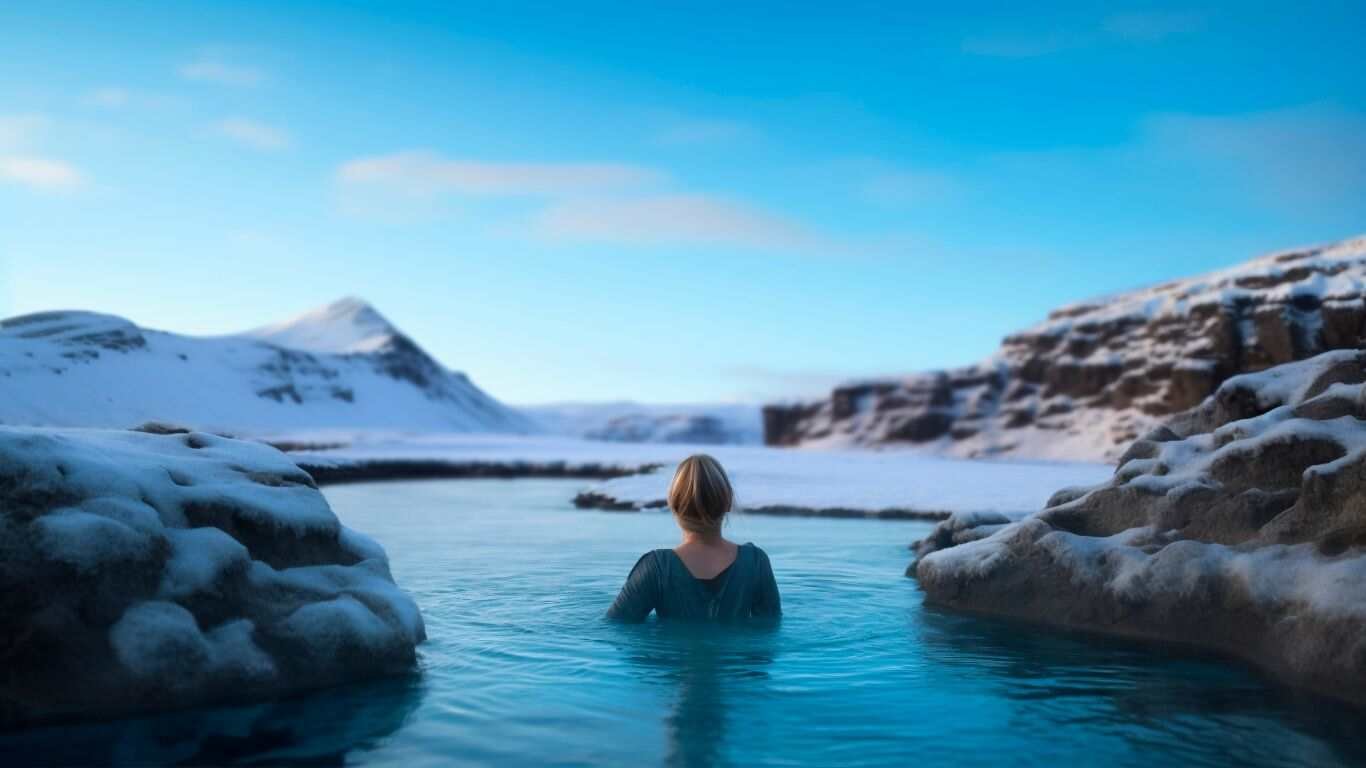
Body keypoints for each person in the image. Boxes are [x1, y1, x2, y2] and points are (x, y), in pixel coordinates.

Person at [607, 454, 781, 622]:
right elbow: (769, 629)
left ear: (673, 505)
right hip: (735, 653)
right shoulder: (756, 562)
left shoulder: (657, 568)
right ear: (728, 502)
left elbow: (617, 626)